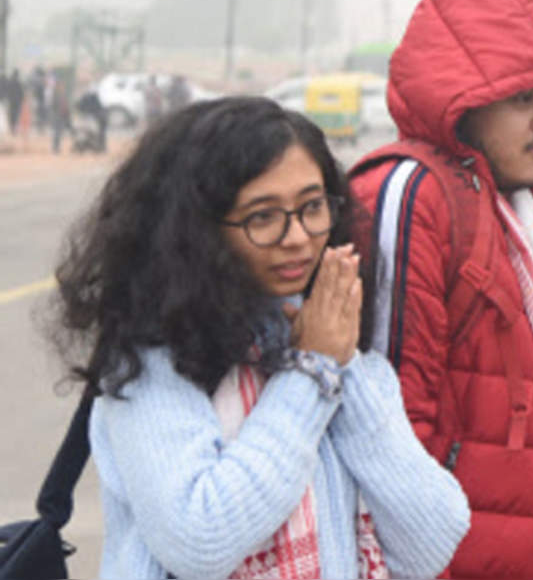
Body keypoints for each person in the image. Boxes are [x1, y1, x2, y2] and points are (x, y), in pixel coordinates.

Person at [50, 96, 469, 578]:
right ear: (196, 232)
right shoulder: (153, 364)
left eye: (312, 207)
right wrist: (312, 376)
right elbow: (200, 539)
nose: (297, 237)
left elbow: (432, 538)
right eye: (262, 217)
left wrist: (339, 365)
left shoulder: (318, 335)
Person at [349, 0, 533, 579]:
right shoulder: (409, 194)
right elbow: (389, 423)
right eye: (523, 99)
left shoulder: (523, 203)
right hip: (449, 555)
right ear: (464, 102)